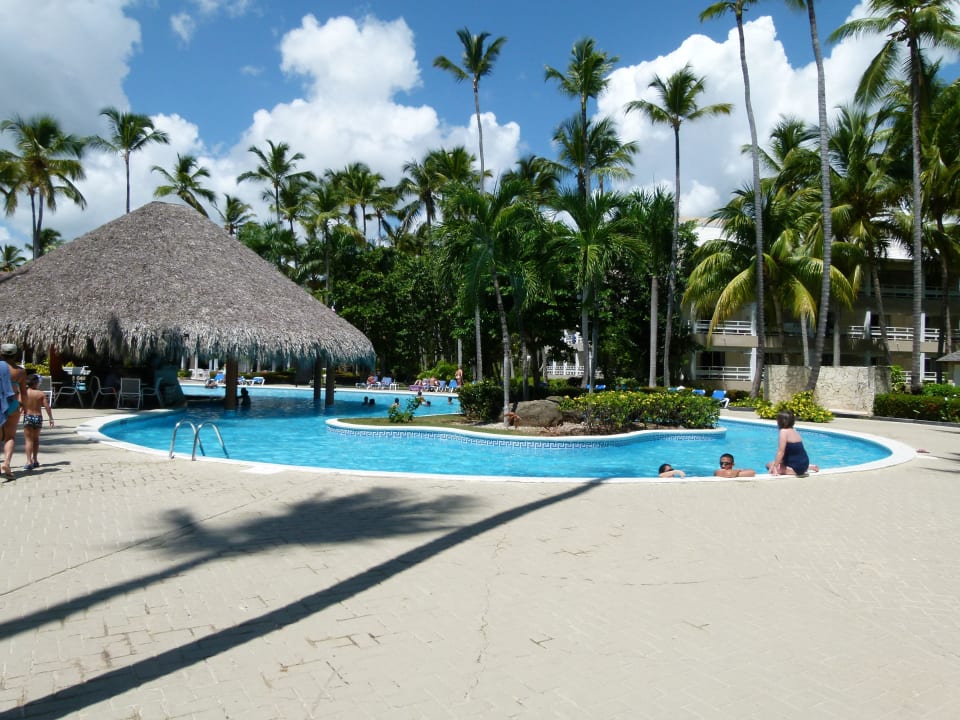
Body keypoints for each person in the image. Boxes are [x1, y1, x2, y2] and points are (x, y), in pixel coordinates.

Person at [767, 409, 820, 476]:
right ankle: (808, 467)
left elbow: (781, 452)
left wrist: (775, 467)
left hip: (795, 468)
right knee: (774, 463)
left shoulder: (783, 432)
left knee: (769, 465)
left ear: (780, 422)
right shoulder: (794, 431)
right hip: (804, 463)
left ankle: (803, 469)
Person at [0, 344, 26, 481]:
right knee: (10, 437)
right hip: (12, 404)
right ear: (15, 355)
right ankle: (6, 463)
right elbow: (24, 392)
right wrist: (25, 406)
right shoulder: (20, 371)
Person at [21, 374, 54, 470]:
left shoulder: (25, 393)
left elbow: (20, 404)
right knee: (36, 439)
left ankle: (29, 462)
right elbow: (47, 406)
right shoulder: (41, 394)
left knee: (28, 440)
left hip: (28, 417)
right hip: (38, 417)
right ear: (36, 383)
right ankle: (35, 460)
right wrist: (51, 418)